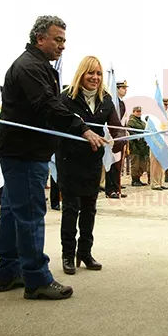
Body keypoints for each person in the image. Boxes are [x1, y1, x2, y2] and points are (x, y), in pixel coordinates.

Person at [0, 15, 106, 300]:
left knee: (12, 211)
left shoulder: (37, 65)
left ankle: (9, 272)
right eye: (57, 40)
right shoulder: (31, 67)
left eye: (64, 40)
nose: (62, 46)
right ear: (39, 38)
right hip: (25, 153)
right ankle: (37, 278)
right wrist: (81, 128)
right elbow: (47, 105)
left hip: (20, 151)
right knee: (30, 213)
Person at [57, 55, 124, 275]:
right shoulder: (66, 97)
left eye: (98, 74)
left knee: (89, 209)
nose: (95, 78)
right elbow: (60, 122)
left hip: (93, 161)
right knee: (71, 208)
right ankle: (68, 254)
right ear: (81, 74)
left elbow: (115, 126)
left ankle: (85, 252)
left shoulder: (105, 99)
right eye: (90, 73)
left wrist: (120, 140)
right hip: (69, 160)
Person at [105, 80, 128, 198]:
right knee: (112, 163)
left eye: (125, 88)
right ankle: (110, 190)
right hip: (112, 136)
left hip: (120, 136)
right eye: (123, 88)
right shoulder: (113, 102)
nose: (125, 90)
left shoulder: (122, 103)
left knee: (118, 164)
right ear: (117, 89)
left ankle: (117, 188)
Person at [127, 106, 149, 186]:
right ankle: (134, 180)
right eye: (137, 111)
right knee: (135, 164)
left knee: (142, 164)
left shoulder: (142, 122)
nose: (139, 113)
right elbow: (129, 130)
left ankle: (138, 178)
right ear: (134, 112)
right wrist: (137, 137)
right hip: (135, 146)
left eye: (140, 111)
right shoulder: (131, 121)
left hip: (143, 146)